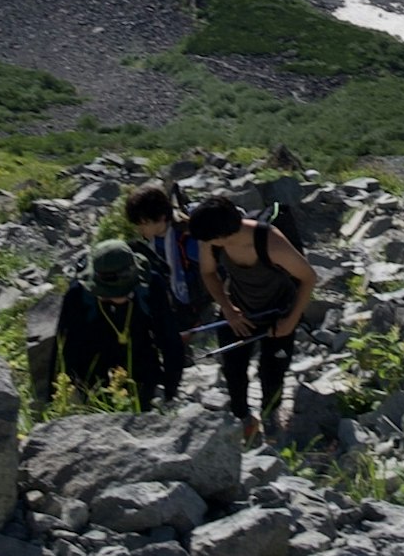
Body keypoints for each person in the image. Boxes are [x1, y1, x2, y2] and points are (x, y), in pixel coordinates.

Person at [194, 185, 318, 432]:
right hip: (239, 309)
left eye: (207, 240)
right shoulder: (212, 242)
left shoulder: (270, 241)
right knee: (234, 369)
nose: (203, 243)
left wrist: (291, 321)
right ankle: (243, 418)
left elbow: (309, 277)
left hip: (279, 311)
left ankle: (271, 416)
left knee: (273, 372)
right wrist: (228, 309)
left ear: (221, 235)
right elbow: (208, 273)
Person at [32, 228, 159, 416]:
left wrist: (167, 386)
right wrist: (57, 397)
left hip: (139, 369)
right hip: (92, 373)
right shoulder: (78, 296)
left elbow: (165, 336)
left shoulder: (148, 287)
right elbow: (64, 349)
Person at [114, 179, 198, 408]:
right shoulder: (156, 239)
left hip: (188, 302)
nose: (140, 230)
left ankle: (169, 388)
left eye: (143, 224)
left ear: (161, 218)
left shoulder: (189, 241)